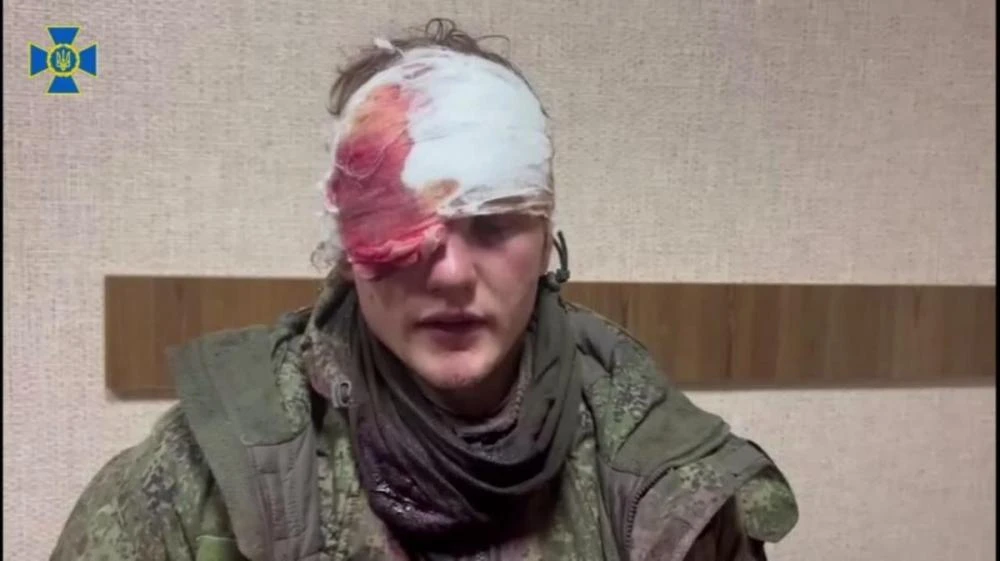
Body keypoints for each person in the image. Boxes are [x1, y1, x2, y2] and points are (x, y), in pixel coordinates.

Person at [51, 18, 798, 561]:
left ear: (546, 236)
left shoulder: (668, 480)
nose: (449, 273)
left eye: (494, 223)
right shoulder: (206, 478)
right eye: (401, 228)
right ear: (347, 247)